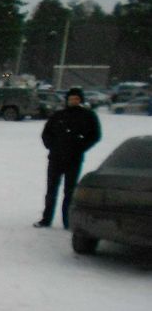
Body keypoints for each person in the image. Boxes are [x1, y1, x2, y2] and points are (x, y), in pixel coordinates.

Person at [35, 87, 101, 229]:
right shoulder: (58, 115)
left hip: (74, 159)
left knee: (70, 191)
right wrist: (51, 146)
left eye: (76, 99)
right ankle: (46, 219)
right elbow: (46, 133)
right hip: (55, 158)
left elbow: (95, 136)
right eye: (71, 99)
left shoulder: (88, 116)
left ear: (81, 100)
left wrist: (81, 147)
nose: (73, 101)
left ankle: (68, 220)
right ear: (67, 100)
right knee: (51, 190)